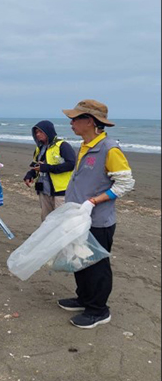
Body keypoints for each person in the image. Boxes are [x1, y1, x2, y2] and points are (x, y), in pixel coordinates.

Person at [58, 100, 133, 329]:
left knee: (97, 265)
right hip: (78, 218)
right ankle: (84, 298)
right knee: (79, 260)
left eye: (75, 118)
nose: (71, 123)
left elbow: (125, 183)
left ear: (89, 121)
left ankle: (99, 310)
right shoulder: (84, 145)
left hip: (98, 220)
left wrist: (94, 201)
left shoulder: (109, 148)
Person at [23, 120, 77, 221]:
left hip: (61, 191)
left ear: (48, 131)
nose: (38, 134)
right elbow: (36, 165)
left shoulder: (62, 146)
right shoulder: (39, 148)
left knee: (61, 221)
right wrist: (30, 175)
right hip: (44, 191)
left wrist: (47, 168)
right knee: (47, 221)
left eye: (41, 132)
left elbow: (71, 164)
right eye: (36, 132)